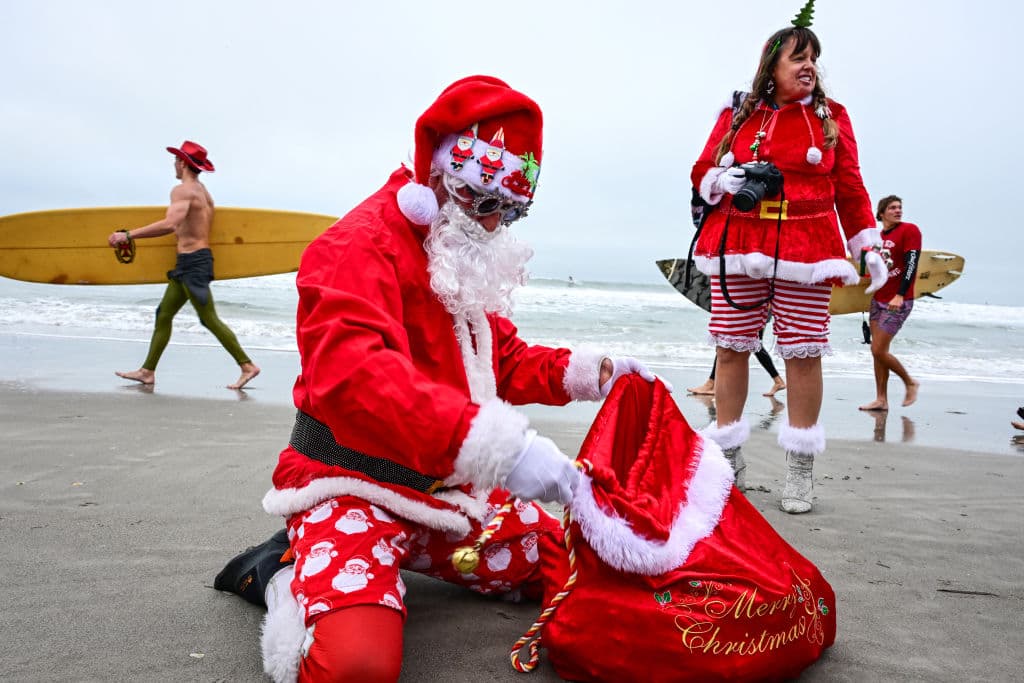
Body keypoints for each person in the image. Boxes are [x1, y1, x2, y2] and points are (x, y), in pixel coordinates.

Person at [212, 76, 663, 683]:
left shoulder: (453, 252)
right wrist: (505, 450)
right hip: (349, 485)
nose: (494, 221)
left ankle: (386, 566)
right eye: (483, 200)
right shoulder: (356, 246)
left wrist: (589, 374)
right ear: (436, 175)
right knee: (356, 667)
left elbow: (500, 358)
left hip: (444, 497)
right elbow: (356, 379)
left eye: (512, 208)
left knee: (568, 558)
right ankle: (287, 573)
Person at [688, 3, 887, 513]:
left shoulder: (832, 118)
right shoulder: (737, 114)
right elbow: (701, 170)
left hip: (807, 250)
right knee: (730, 349)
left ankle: (799, 470)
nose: (809, 66)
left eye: (814, 58)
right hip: (738, 245)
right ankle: (728, 461)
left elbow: (850, 185)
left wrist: (867, 241)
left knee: (802, 354)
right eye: (798, 56)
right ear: (770, 66)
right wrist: (719, 180)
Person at [107, 141, 259, 390]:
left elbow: (170, 224)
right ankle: (147, 371)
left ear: (182, 163)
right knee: (163, 314)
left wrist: (128, 235)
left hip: (193, 263)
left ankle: (247, 366)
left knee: (209, 319)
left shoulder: (183, 191)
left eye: (175, 162)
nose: (174, 167)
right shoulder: (203, 191)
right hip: (188, 262)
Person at [858, 195, 921, 411]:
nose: (898, 210)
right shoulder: (876, 238)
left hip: (898, 300)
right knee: (878, 351)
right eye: (892, 208)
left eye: (899, 207)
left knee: (878, 350)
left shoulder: (910, 230)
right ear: (881, 212)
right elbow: (869, 269)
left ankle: (910, 382)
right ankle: (881, 399)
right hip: (878, 299)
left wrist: (900, 294)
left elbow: (912, 264)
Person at [687, 318, 786, 397]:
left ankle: (711, 384)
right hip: (758, 307)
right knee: (747, 344)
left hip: (757, 307)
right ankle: (778, 381)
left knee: (732, 343)